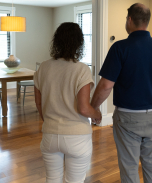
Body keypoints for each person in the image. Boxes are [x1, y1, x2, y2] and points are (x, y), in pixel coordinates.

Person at [90, 3, 152, 183]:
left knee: (129, 166)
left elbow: (105, 86)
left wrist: (92, 108)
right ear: (147, 22)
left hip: (128, 118)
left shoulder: (120, 48)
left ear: (129, 20)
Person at [34, 22, 102, 183]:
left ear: (56, 41)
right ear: (79, 44)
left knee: (52, 179)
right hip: (77, 137)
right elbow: (84, 109)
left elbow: (39, 103)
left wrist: (51, 121)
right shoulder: (81, 69)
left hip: (50, 134)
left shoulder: (43, 67)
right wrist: (97, 114)